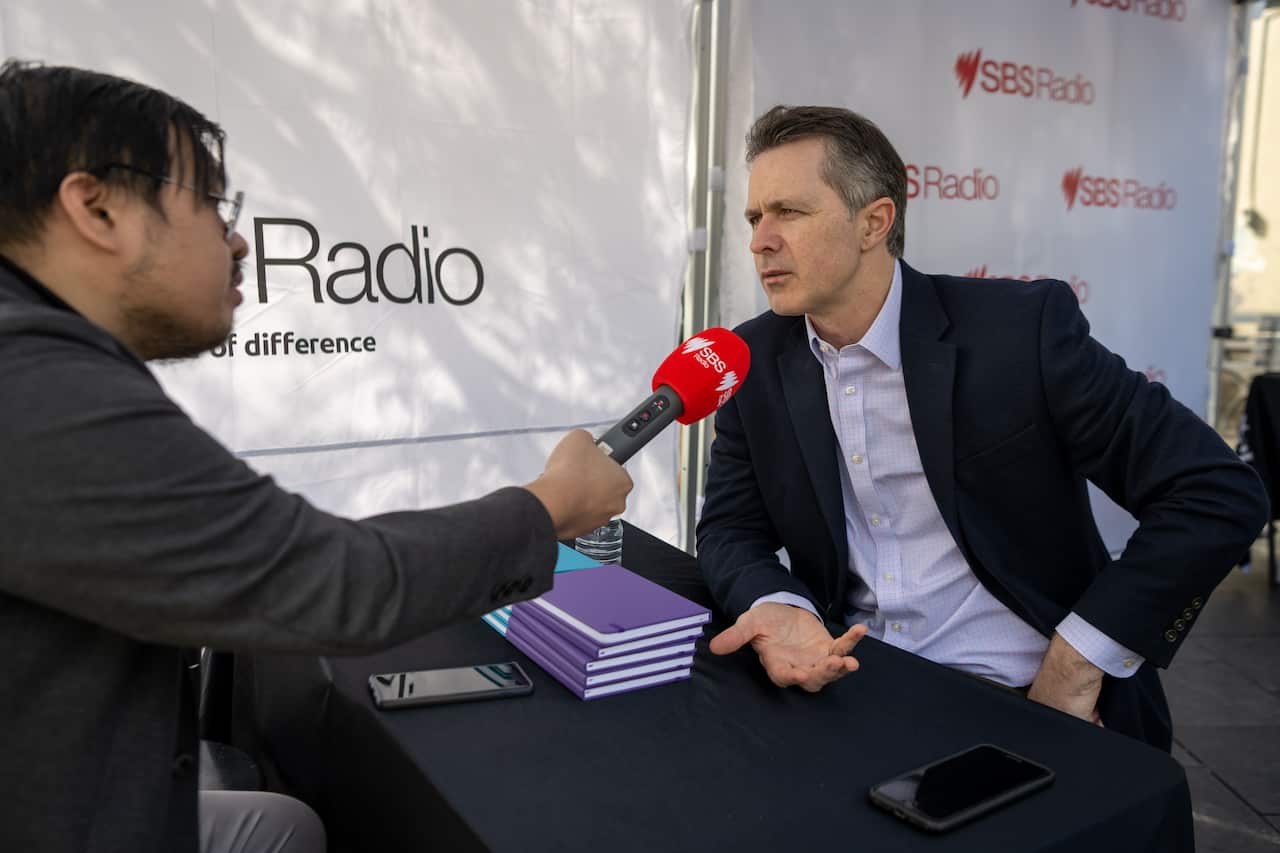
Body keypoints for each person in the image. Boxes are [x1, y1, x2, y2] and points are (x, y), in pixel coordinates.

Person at [0, 61, 632, 853]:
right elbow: (336, 581)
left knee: (283, 826)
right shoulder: (36, 385)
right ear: (96, 207)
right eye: (210, 203)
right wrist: (550, 506)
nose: (235, 241)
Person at [698, 104, 1268, 750]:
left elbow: (1218, 492)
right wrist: (781, 606)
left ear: (874, 223)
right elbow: (730, 528)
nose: (759, 240)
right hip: (851, 685)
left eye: (788, 213)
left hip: (1025, 700)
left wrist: (1077, 659)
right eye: (753, 217)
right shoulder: (752, 361)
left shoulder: (1019, 334)